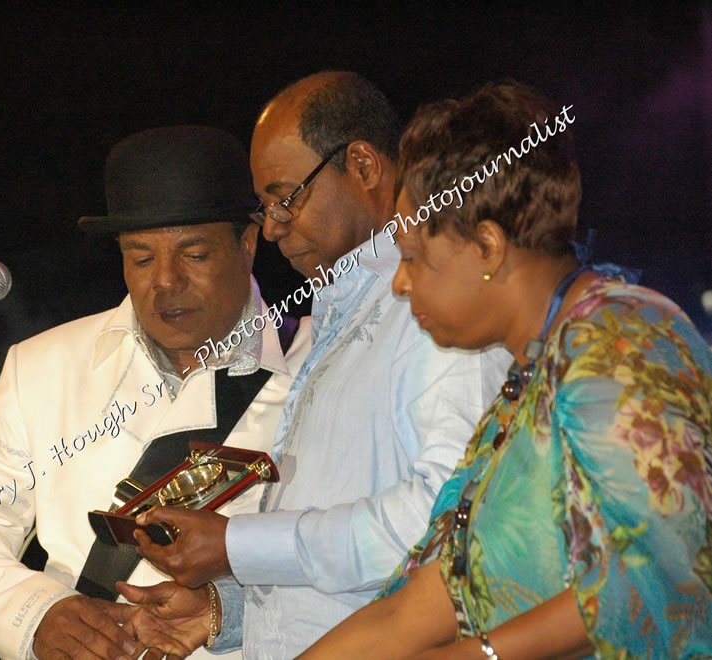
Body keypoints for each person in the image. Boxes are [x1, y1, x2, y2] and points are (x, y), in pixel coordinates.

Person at [298, 81, 712, 658]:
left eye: (413, 257)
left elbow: (668, 577)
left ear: (487, 247)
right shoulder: (535, 368)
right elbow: (414, 611)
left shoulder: (619, 339)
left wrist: (477, 654)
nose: (399, 280)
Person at [126, 72, 511, 658]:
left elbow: (444, 521)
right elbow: (342, 559)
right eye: (265, 206)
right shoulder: (340, 308)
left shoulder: (438, 308)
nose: (275, 225)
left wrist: (238, 544)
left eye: (287, 196)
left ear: (362, 165)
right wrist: (225, 611)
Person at [0, 125, 312, 660]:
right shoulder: (44, 366)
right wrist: (36, 616)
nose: (166, 282)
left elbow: (358, 552)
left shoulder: (321, 364)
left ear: (246, 244)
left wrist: (226, 607)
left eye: (194, 254)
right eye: (141, 257)